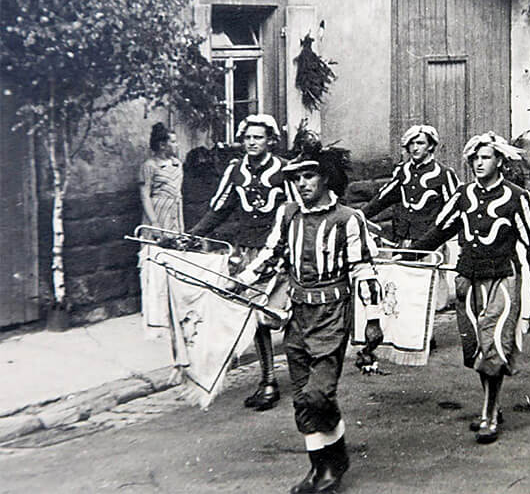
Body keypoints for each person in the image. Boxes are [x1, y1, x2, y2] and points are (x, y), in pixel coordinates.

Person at [238, 132, 372, 494]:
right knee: (301, 396)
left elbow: (363, 271)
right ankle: (319, 469)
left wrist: (372, 321)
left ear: (325, 177)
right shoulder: (288, 214)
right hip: (298, 315)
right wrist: (241, 280)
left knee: (319, 394)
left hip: (332, 315)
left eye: (309, 176)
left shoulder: (348, 219)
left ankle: (337, 456)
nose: (302, 184)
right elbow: (272, 254)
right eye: (297, 178)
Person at [410, 132, 530, 445]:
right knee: (475, 348)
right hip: (468, 280)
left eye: (485, 157)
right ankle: (492, 405)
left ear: (499, 160)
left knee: (493, 345)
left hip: (503, 279)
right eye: (474, 158)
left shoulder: (516, 196)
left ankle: (489, 412)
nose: (478, 163)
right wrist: (410, 253)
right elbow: (439, 230)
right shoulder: (462, 195)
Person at [187, 114, 290, 411]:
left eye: (258, 137)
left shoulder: (284, 170)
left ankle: (300, 371)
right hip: (246, 254)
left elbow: (298, 211)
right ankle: (268, 380)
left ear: (270, 140)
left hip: (278, 253)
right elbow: (218, 209)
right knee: (254, 317)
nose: (252, 142)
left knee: (280, 315)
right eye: (247, 138)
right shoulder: (235, 170)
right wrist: (192, 236)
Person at [361, 125, 459, 310]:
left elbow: (455, 209)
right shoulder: (403, 172)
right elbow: (384, 198)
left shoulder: (444, 174)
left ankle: (427, 338)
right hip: (403, 241)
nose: (415, 148)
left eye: (420, 143)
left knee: (429, 294)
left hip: (430, 245)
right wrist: (359, 215)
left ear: (431, 146)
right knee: (403, 291)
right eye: (411, 143)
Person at [137, 122, 184, 337]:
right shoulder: (149, 166)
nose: (176, 145)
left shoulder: (177, 164)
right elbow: (145, 195)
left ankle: (172, 307)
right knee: (154, 260)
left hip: (175, 214)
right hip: (158, 213)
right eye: (173, 141)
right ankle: (153, 311)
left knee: (175, 258)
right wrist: (154, 222)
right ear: (162, 144)